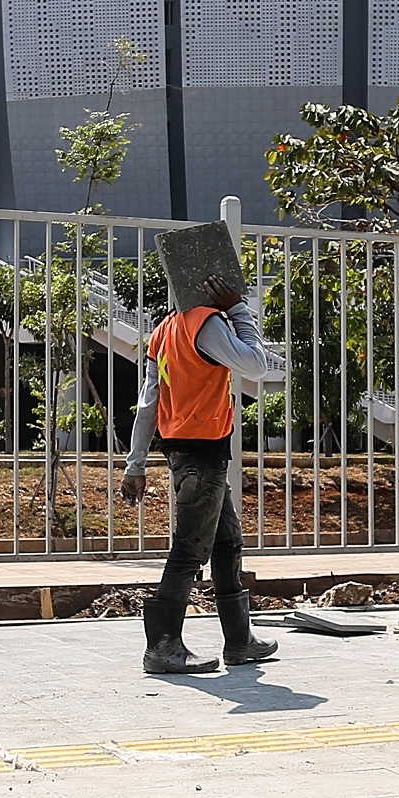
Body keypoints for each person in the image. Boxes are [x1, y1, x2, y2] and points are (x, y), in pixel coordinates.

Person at [120, 274, 283, 674]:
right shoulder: (205, 323)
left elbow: (147, 403)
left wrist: (136, 462)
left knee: (227, 541)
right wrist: (238, 310)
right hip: (202, 454)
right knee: (190, 548)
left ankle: (240, 641)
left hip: (183, 449)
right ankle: (162, 647)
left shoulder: (162, 331)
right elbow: (257, 365)